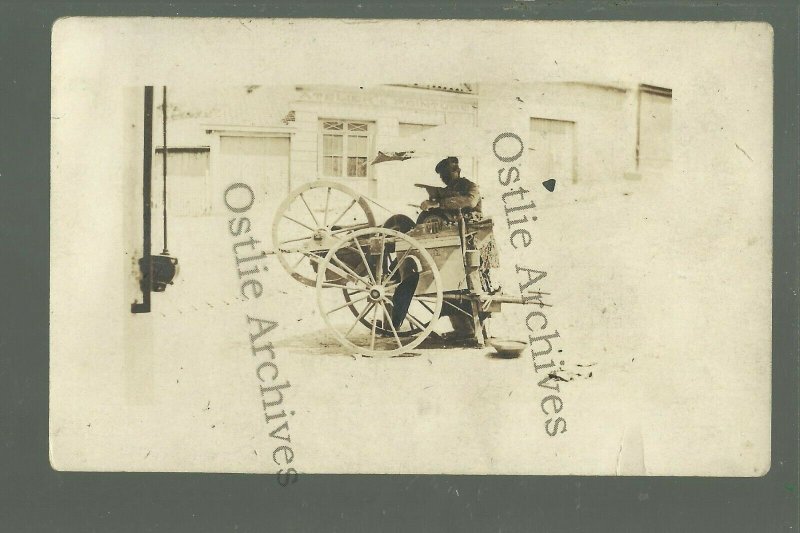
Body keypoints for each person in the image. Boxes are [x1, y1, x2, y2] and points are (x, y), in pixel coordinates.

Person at [419, 156, 482, 221]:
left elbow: (470, 202)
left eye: (446, 173)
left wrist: (439, 203)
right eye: (442, 175)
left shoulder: (472, 186)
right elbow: (440, 193)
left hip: (472, 227)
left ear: (457, 172)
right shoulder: (449, 189)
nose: (442, 177)